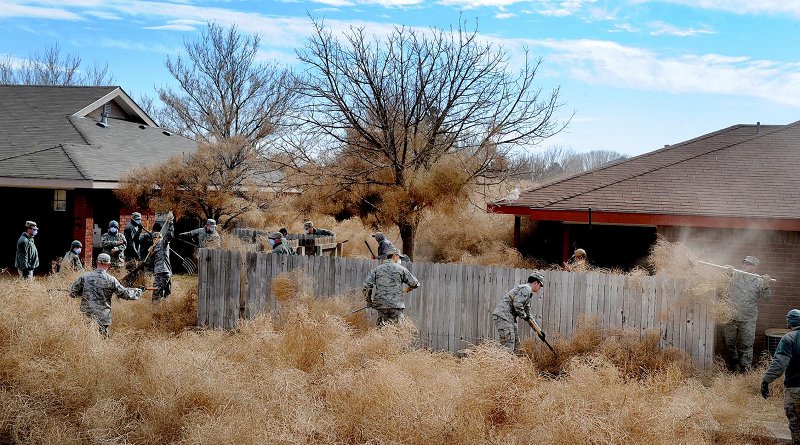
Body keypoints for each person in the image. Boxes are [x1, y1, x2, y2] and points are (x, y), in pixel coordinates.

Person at [68, 253, 143, 337]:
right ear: (109, 264)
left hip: (86, 316)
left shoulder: (84, 277)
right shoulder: (111, 280)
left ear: (96, 262)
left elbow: (72, 293)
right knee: (103, 341)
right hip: (102, 318)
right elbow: (124, 294)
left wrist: (82, 292)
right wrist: (138, 291)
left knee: (86, 340)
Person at [721, 255, 772, 372]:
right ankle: (733, 366)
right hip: (731, 316)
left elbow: (767, 298)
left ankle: (745, 369)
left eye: (747, 264)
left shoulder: (759, 281)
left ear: (754, 268)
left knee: (747, 345)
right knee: (728, 343)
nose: (744, 266)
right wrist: (727, 274)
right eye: (743, 263)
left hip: (748, 319)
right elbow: (722, 285)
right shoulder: (734, 275)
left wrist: (766, 286)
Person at [762, 309, 800, 444]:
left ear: (789, 322)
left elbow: (779, 364)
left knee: (797, 427)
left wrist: (766, 380)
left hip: (795, 389)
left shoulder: (789, 338)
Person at [362, 247, 419, 326]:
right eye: (399, 257)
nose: (399, 259)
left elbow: (366, 286)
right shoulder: (401, 269)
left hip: (381, 306)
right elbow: (415, 283)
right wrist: (409, 288)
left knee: (382, 330)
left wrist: (369, 301)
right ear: (394, 256)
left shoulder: (377, 269)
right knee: (396, 331)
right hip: (396, 305)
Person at [492, 273, 546, 353]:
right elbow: (517, 304)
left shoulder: (528, 293)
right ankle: (503, 364)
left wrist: (538, 330)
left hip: (509, 318)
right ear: (535, 283)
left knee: (517, 346)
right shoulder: (526, 289)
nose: (539, 288)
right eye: (540, 285)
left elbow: (528, 314)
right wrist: (524, 316)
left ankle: (515, 364)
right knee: (508, 346)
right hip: (504, 316)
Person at [150, 215, 174, 301]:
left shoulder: (163, 243)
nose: (157, 240)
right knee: (165, 295)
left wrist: (170, 223)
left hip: (163, 272)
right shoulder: (153, 248)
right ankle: (164, 312)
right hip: (162, 272)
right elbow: (150, 263)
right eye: (155, 239)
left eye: (159, 238)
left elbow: (169, 235)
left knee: (157, 295)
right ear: (153, 240)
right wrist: (151, 253)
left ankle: (156, 313)